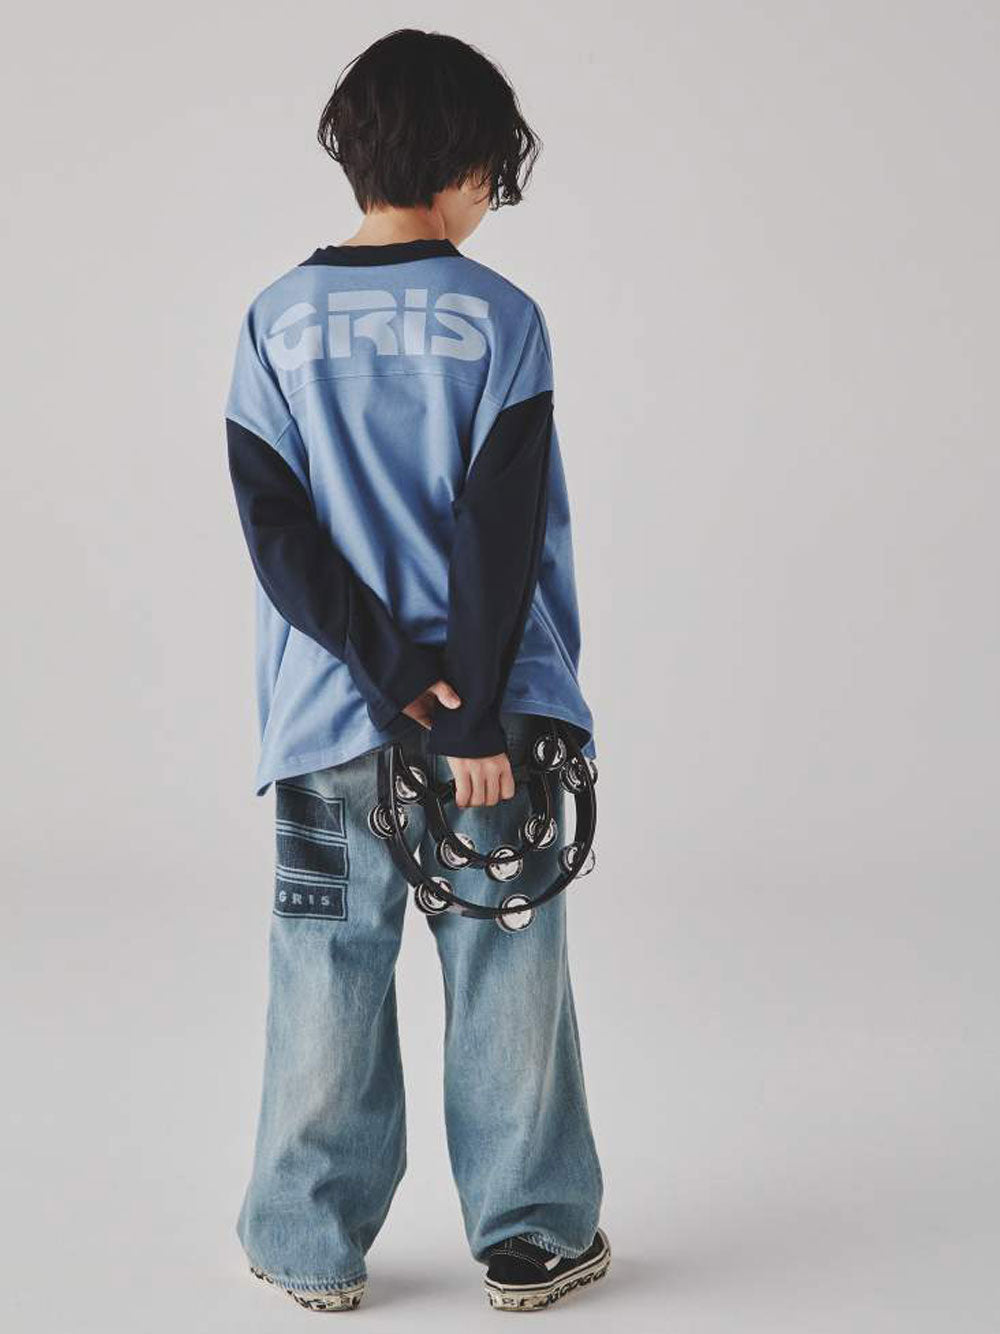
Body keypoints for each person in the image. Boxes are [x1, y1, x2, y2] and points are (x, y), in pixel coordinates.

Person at [225, 28, 608, 1314]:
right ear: (464, 159)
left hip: (326, 717)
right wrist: (466, 712)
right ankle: (533, 1236)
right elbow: (497, 532)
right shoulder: (501, 319)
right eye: (494, 168)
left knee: (325, 963)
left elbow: (278, 535)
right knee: (507, 960)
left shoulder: (275, 319)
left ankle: (306, 1241)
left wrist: (390, 676)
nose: (494, 193)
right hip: (493, 721)